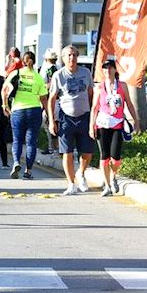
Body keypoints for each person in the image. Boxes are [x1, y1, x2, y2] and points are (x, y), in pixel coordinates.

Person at [47, 45, 95, 195]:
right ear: (63, 58)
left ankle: (81, 172)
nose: (71, 58)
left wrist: (94, 116)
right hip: (66, 118)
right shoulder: (58, 75)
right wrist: (51, 120)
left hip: (84, 116)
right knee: (67, 152)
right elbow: (52, 99)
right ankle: (71, 183)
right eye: (68, 55)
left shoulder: (86, 73)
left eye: (74, 55)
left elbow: (91, 94)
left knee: (87, 152)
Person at [90, 55, 138, 197]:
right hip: (102, 124)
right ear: (103, 72)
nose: (107, 71)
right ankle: (107, 185)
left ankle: (113, 176)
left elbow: (129, 103)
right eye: (105, 69)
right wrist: (91, 126)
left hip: (117, 124)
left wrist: (136, 120)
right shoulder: (99, 87)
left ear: (114, 70)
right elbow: (94, 107)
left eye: (110, 68)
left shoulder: (122, 86)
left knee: (115, 157)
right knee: (104, 156)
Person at [4, 50, 47, 179]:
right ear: (34, 61)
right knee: (31, 142)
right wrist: (47, 111)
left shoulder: (15, 73)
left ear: (22, 61)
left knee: (17, 140)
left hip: (17, 110)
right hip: (34, 110)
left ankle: (16, 162)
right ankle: (28, 171)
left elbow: (4, 90)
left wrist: (5, 105)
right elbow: (43, 97)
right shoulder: (38, 77)